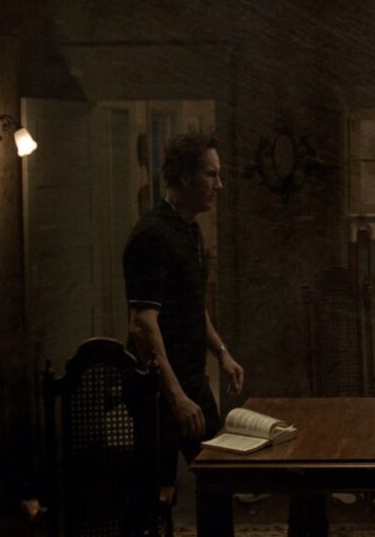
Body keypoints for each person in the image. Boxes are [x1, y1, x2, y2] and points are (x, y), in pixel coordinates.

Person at [123, 132, 244, 536]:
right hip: (157, 390)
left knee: (218, 478)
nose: (219, 185)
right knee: (150, 500)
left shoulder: (190, 231)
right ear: (185, 177)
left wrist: (221, 352)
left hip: (190, 380)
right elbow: (142, 324)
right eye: (211, 174)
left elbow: (193, 304)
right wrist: (175, 397)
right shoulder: (151, 235)